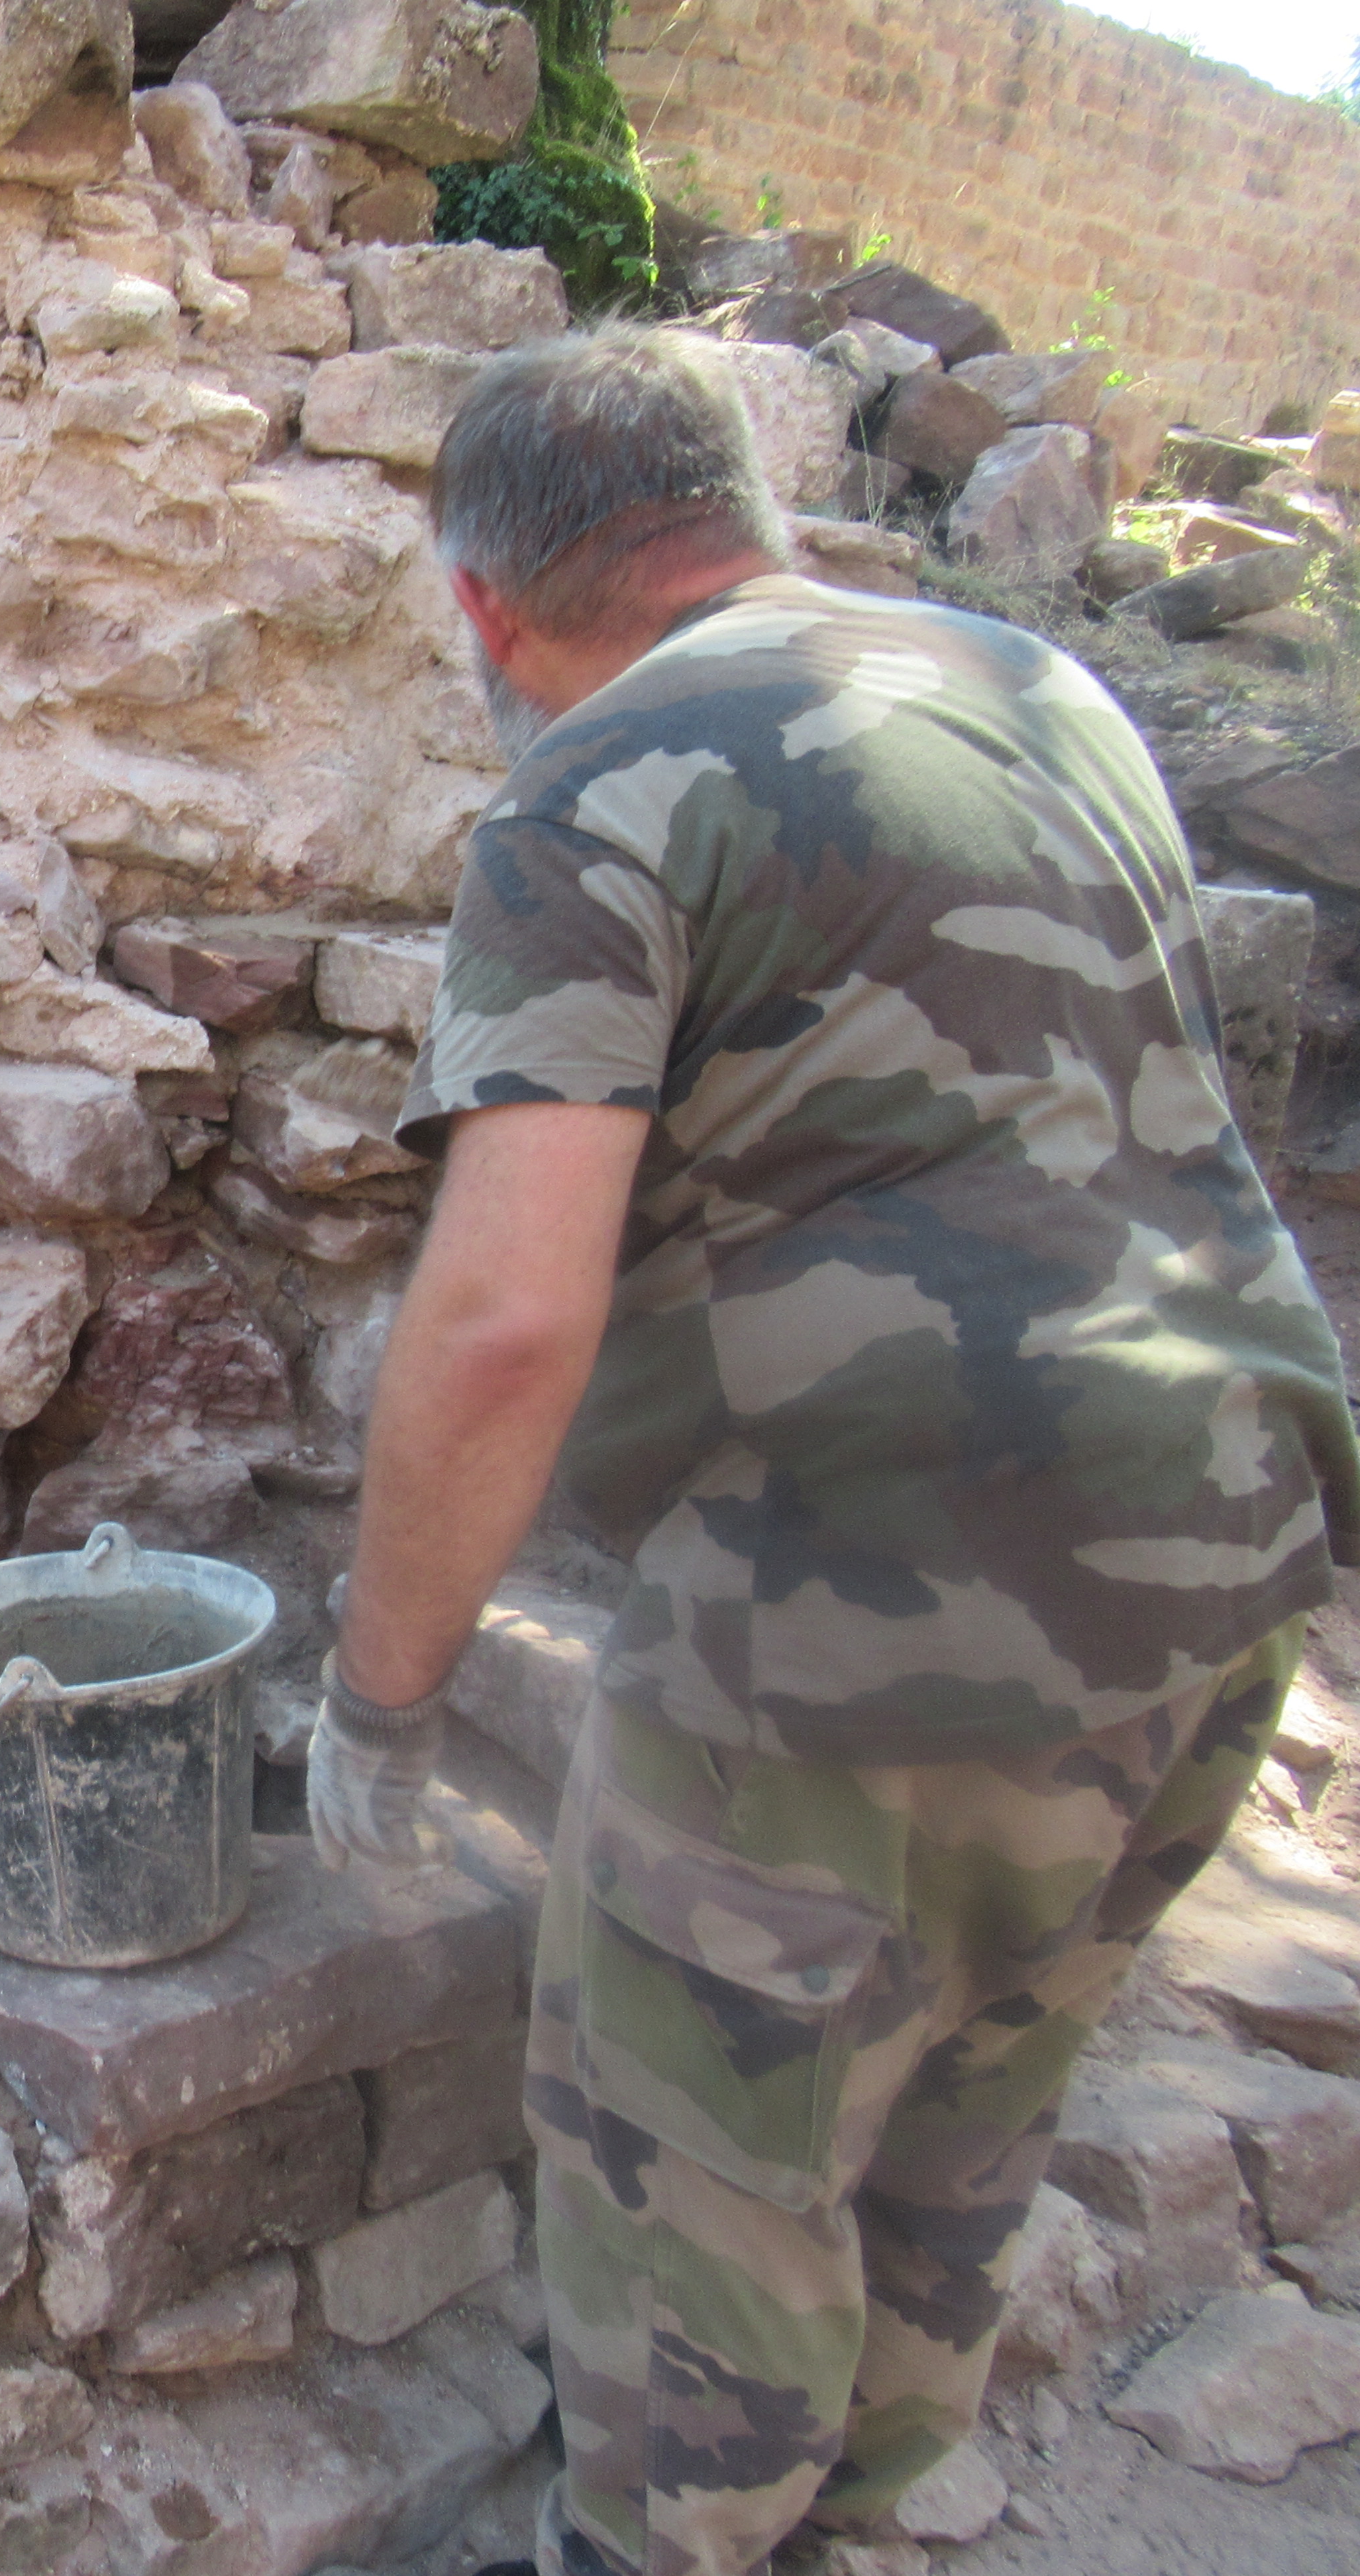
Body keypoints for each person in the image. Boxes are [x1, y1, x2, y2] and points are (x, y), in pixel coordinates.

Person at [311, 330, 1360, 2576]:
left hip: (880, 1581)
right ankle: (852, 2529)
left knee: (692, 2178)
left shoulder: (594, 782)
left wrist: (378, 1702)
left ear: (484, 604)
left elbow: (499, 1321)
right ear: (750, 515)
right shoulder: (1044, 690)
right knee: (959, 2118)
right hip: (1231, 1525)